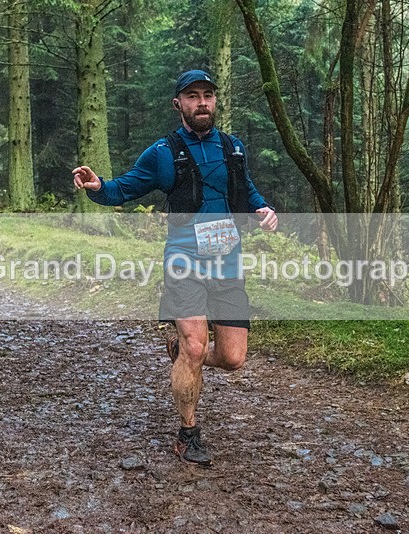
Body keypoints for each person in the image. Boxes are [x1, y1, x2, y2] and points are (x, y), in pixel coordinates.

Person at [72, 69, 277, 467]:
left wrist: (263, 208)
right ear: (178, 104)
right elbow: (125, 188)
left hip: (227, 262)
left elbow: (247, 192)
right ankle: (188, 433)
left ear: (215, 101)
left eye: (208, 95)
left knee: (233, 358)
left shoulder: (233, 148)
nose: (202, 102)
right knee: (197, 346)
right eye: (193, 96)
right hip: (184, 262)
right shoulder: (163, 153)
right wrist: (98, 187)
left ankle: (180, 351)